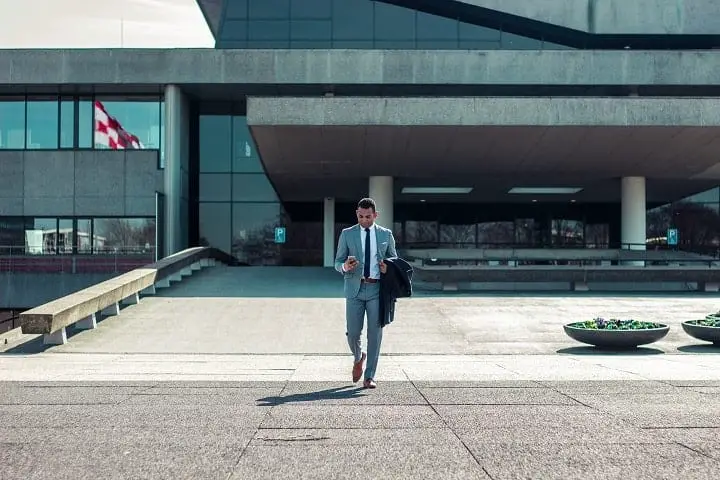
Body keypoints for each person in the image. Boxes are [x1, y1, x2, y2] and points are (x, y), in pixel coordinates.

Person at [334, 197, 397, 389]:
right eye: (360, 216)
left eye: (368, 217)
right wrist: (344, 266)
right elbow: (337, 262)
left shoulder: (386, 234)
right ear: (357, 214)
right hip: (355, 288)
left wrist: (388, 267)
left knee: (375, 334)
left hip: (377, 289)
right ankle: (358, 356)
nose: (364, 220)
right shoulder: (347, 234)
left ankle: (369, 376)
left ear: (375, 215)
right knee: (353, 333)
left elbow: (395, 259)